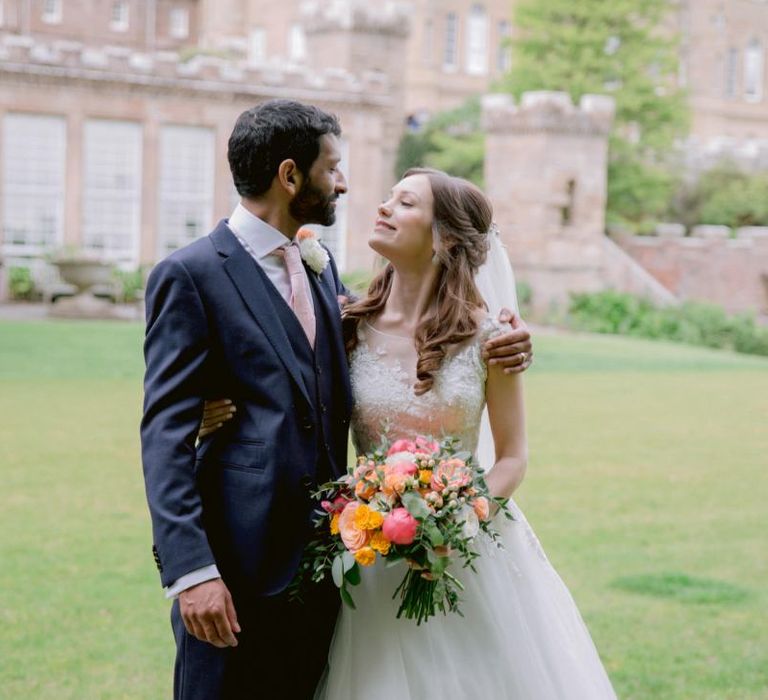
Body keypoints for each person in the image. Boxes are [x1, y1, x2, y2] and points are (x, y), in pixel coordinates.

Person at [140, 101, 533, 700]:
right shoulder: (189, 274)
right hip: (234, 574)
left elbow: (385, 336)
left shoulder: (324, 276)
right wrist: (193, 574)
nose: (347, 185)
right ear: (290, 176)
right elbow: (163, 432)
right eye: (333, 168)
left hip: (336, 573)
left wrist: (506, 339)